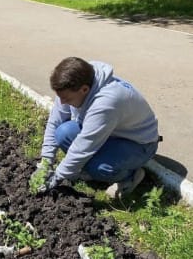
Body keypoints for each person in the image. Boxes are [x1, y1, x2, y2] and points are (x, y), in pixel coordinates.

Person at [35, 57, 160, 198]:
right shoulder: (73, 84)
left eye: (67, 99)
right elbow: (55, 122)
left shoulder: (106, 103)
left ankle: (130, 176)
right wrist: (46, 162)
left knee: (100, 168)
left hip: (138, 143)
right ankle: (93, 167)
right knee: (63, 132)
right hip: (109, 133)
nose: (63, 102)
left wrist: (58, 176)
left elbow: (85, 145)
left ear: (84, 89)